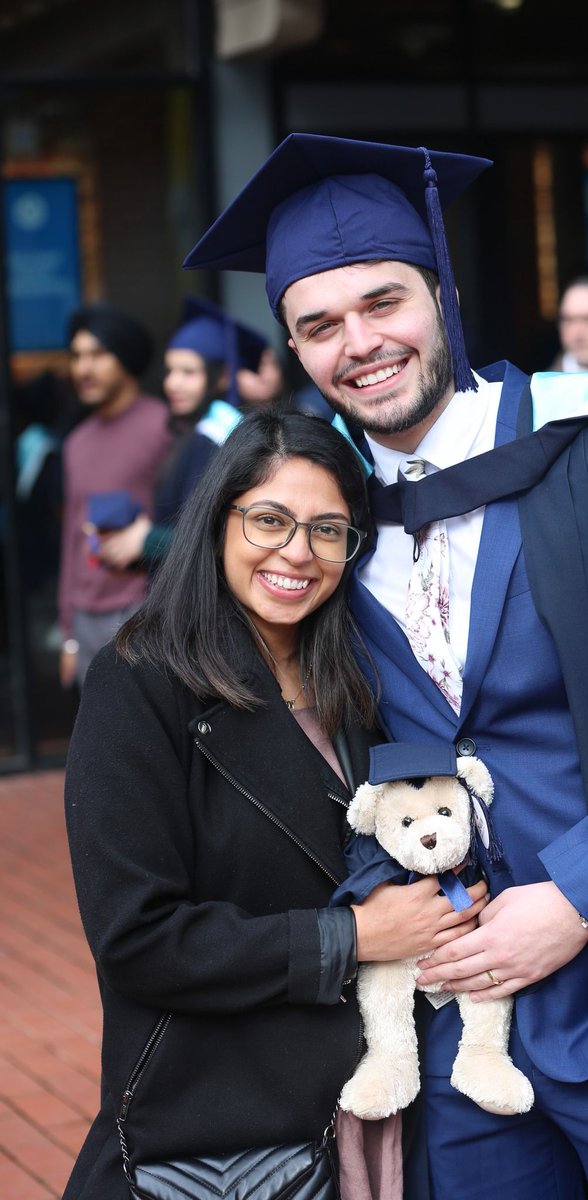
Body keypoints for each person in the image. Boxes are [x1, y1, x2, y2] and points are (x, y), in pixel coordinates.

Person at [183, 133, 588, 1200]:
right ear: (292, 345)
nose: (360, 344)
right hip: (453, 1046)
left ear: (445, 292)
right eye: (319, 325)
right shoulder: (323, 522)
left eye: (383, 302)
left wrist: (577, 895)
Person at [62, 407, 487, 1200]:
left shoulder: (358, 678)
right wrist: (352, 937)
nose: (297, 552)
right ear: (217, 520)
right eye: (269, 520)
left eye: (328, 530)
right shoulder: (141, 682)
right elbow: (136, 937)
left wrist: (454, 897)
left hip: (373, 1103)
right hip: (230, 1120)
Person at [59, 302, 172, 688]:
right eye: (77, 356)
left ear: (124, 356)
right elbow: (72, 537)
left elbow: (190, 517)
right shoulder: (76, 442)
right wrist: (68, 634)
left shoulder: (163, 427)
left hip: (142, 609)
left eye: (97, 354)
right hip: (84, 617)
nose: (83, 368)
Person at [97, 295, 252, 571]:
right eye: (170, 371)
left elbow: (215, 535)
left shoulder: (216, 440)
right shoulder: (192, 434)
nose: (172, 383)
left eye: (188, 372)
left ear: (221, 377)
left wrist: (147, 540)